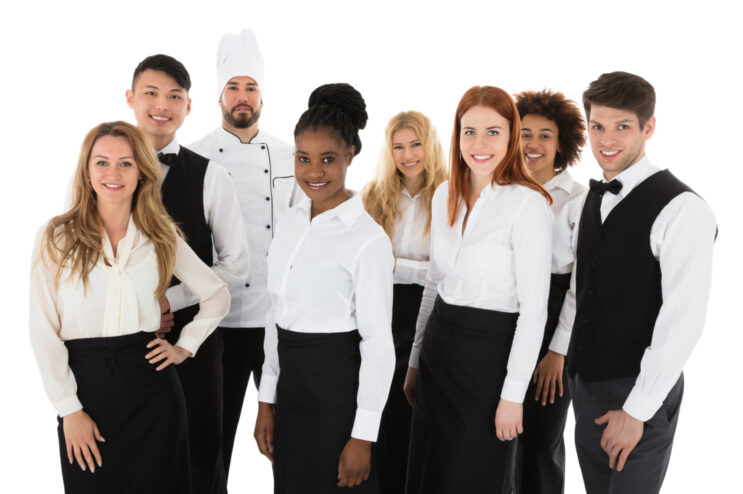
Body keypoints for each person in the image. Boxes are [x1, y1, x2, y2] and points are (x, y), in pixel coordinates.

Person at [29, 121, 230, 494]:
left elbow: (216, 294)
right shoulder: (55, 236)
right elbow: (43, 330)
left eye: (126, 163)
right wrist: (69, 410)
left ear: (142, 173)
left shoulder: (160, 235)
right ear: (87, 171)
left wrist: (185, 346)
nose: (113, 173)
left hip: (152, 390)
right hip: (85, 388)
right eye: (102, 162)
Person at [548, 71, 716, 493]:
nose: (607, 139)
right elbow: (580, 291)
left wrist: (638, 410)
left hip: (639, 392)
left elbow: (684, 319)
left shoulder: (683, 209)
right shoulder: (591, 198)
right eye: (598, 127)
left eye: (623, 126)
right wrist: (561, 356)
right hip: (585, 386)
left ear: (649, 127)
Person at [403, 86, 553, 493]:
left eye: (493, 131)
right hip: (439, 352)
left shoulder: (528, 205)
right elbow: (434, 283)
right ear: (456, 136)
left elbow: (534, 310)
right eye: (469, 132)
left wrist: (513, 395)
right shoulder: (442, 195)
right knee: (429, 472)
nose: (479, 144)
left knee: (477, 475)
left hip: (490, 362)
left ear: (511, 135)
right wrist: (416, 360)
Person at [253, 83, 395, 493]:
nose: (313, 172)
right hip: (291, 392)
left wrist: (363, 436)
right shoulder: (292, 222)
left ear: (351, 156)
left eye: (328, 160)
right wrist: (266, 401)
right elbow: (274, 314)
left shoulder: (368, 240)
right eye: (304, 159)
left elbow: (377, 342)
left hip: (338, 396)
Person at [125, 54, 250, 494]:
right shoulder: (100, 169)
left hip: (193, 343)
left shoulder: (211, 175)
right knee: (131, 456)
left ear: (189, 106)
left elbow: (237, 263)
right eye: (151, 94)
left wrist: (170, 302)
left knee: (198, 453)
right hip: (117, 340)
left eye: (174, 96)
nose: (162, 105)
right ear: (131, 99)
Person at [189, 29, 298, 480]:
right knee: (211, 443)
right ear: (218, 96)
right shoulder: (194, 159)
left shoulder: (292, 157)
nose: (242, 97)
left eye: (250, 87)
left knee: (292, 440)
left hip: (279, 319)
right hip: (219, 322)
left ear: (262, 95)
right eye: (233, 87)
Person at [361, 110, 447, 494]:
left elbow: (442, 273)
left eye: (415, 144)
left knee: (421, 410)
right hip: (382, 310)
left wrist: (396, 264)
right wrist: (417, 267)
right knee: (384, 407)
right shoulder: (372, 196)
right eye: (398, 146)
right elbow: (366, 264)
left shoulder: (451, 195)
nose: (408, 154)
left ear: (429, 147)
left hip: (430, 313)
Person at [513, 89, 587, 494]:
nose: (533, 144)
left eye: (545, 135)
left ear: (562, 143)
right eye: (525, 133)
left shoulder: (578, 199)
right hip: (507, 317)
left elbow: (580, 284)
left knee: (541, 440)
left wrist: (558, 351)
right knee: (503, 432)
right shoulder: (504, 190)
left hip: (554, 321)